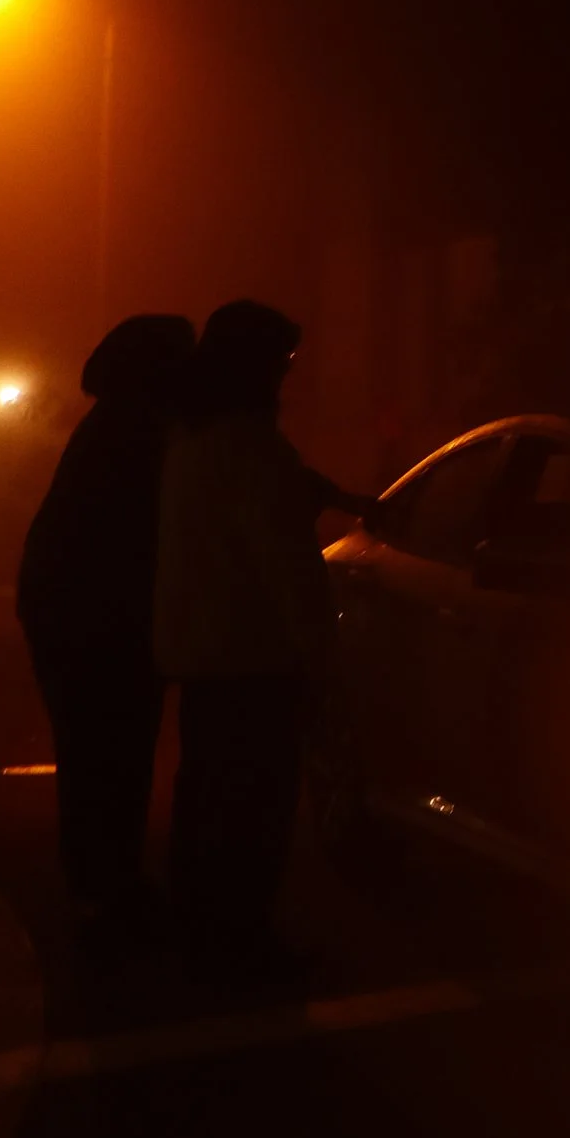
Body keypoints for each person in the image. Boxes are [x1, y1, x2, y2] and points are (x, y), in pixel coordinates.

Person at [154, 300, 376, 981]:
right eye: (282, 363)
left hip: (202, 653)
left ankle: (198, 938)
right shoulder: (252, 447)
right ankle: (242, 949)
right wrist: (321, 665)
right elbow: (289, 568)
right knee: (255, 813)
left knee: (206, 802)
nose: (287, 377)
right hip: (254, 660)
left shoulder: (194, 438)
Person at [16, 314, 199, 936]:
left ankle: (102, 885)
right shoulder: (138, 435)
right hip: (97, 621)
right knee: (110, 754)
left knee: (96, 754)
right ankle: (106, 891)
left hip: (77, 615)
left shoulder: (116, 427)